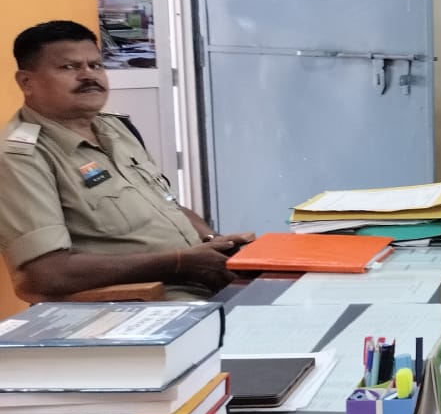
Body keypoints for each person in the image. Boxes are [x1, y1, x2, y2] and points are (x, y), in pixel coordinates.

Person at [0, 20, 254, 300]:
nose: (88, 75)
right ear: (26, 82)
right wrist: (181, 263)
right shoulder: (20, 156)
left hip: (202, 279)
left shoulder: (116, 128)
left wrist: (214, 243)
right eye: (69, 67)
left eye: (96, 65)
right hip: (146, 299)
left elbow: (166, 203)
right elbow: (46, 275)